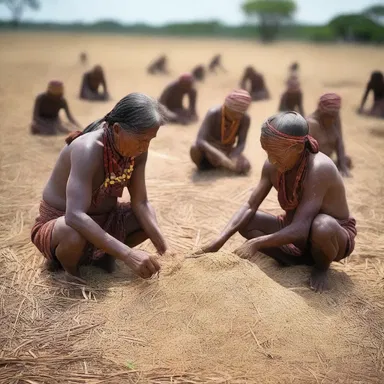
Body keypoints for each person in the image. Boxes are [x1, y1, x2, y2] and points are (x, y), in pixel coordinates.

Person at [196, 112, 357, 293]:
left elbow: (302, 228)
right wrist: (220, 240)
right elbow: (250, 205)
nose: (271, 159)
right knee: (247, 222)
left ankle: (320, 267)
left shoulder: (320, 168)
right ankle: (296, 260)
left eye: (276, 153)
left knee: (323, 226)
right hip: (296, 230)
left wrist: (257, 243)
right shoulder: (273, 164)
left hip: (332, 236)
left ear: (297, 148)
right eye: (267, 152)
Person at [31, 93, 168, 283]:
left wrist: (164, 248)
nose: (145, 147)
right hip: (62, 226)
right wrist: (128, 254)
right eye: (142, 140)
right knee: (72, 232)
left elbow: (141, 202)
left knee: (145, 217)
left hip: (107, 220)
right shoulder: (87, 149)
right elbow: (74, 216)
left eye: (150, 140)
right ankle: (69, 270)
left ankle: (102, 257)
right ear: (118, 129)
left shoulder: (137, 152)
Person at [190, 89, 251, 174]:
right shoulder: (213, 113)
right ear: (226, 106)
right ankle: (206, 166)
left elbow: (241, 143)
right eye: (234, 112)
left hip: (227, 150)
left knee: (245, 166)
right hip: (209, 149)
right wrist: (220, 156)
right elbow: (200, 140)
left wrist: (234, 155)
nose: (238, 116)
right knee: (194, 149)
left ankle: (222, 165)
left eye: (241, 113)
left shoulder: (245, 119)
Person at [307, 93, 351, 177]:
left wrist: (343, 167)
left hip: (327, 161)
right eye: (330, 115)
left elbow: (339, 141)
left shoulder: (334, 118)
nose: (333, 118)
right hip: (313, 163)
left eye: (335, 115)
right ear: (321, 112)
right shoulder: (311, 124)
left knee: (346, 160)